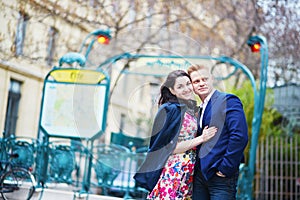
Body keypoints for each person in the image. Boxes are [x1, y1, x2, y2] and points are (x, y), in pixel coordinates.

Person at [133, 70, 217, 200]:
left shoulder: (189, 109)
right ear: (172, 90)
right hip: (173, 171)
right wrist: (202, 138)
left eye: (188, 84)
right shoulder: (169, 109)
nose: (186, 89)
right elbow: (169, 147)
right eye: (180, 86)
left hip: (188, 171)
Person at [187, 64, 249, 200]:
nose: (201, 83)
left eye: (205, 79)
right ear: (192, 86)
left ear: (212, 79)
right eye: (196, 81)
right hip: (199, 177)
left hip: (221, 178)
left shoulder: (228, 100)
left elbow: (240, 136)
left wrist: (225, 169)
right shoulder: (200, 109)